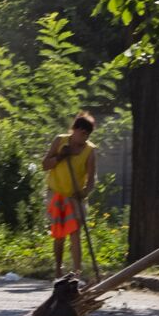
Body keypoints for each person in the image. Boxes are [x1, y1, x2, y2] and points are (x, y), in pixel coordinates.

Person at [41, 113, 97, 279]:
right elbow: (44, 165)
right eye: (82, 133)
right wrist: (60, 156)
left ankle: (77, 273)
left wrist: (84, 192)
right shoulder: (60, 141)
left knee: (75, 233)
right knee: (59, 234)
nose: (84, 137)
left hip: (75, 197)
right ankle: (58, 270)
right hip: (56, 194)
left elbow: (92, 179)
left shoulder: (90, 151)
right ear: (74, 130)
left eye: (87, 134)